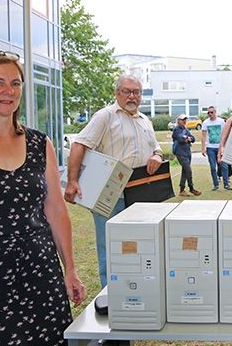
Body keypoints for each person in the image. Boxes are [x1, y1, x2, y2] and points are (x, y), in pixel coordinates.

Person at [0, 51, 86, 346]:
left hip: (41, 277)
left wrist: (69, 268)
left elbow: (56, 210)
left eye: (15, 83)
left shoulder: (38, 143)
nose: (8, 91)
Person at [64, 74, 163, 288]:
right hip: (110, 193)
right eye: (126, 91)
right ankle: (110, 295)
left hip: (140, 193)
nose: (131, 96)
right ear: (116, 93)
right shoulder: (105, 116)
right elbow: (79, 145)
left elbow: (157, 148)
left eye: (136, 92)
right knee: (110, 247)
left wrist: (157, 155)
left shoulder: (144, 120)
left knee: (138, 244)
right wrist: (73, 181)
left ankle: (137, 289)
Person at [201, 106, 232, 191]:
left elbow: (226, 133)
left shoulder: (221, 121)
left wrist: (225, 146)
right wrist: (203, 148)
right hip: (210, 148)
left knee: (224, 166)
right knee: (213, 167)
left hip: (220, 147)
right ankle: (216, 185)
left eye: (211, 112)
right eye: (208, 113)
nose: (210, 114)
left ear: (215, 112)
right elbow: (203, 136)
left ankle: (226, 184)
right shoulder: (205, 122)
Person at [172, 114, 201, 197]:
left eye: (185, 119)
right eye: (182, 119)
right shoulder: (176, 129)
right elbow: (181, 139)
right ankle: (191, 188)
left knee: (185, 171)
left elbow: (193, 139)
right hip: (180, 153)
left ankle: (181, 190)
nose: (184, 121)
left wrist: (188, 138)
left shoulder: (186, 129)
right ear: (178, 121)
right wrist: (187, 138)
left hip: (187, 152)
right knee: (188, 170)